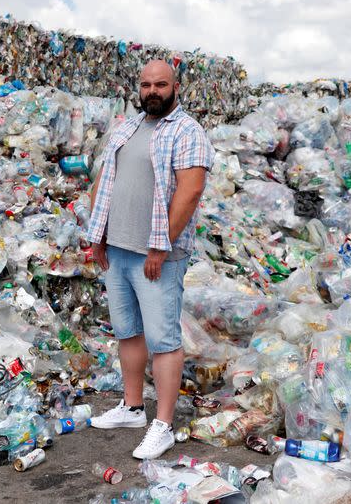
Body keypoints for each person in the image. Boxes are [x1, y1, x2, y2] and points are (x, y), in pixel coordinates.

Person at [86, 59, 213, 459]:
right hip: (119, 248)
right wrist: (98, 234)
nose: (152, 91)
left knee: (163, 339)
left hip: (158, 254)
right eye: (146, 84)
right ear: (138, 88)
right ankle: (132, 407)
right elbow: (105, 180)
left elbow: (190, 192)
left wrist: (160, 244)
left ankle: (163, 425)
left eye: (161, 84)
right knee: (127, 331)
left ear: (176, 87)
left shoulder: (187, 131)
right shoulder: (128, 126)